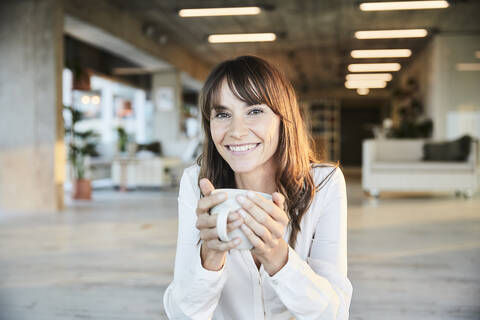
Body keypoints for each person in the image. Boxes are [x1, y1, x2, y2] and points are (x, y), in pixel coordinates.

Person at [163, 56, 352, 319]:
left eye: (254, 111)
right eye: (223, 114)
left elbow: (334, 313)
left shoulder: (324, 184)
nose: (237, 131)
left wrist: (279, 258)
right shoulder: (197, 183)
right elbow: (181, 314)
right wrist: (210, 257)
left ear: (282, 118)